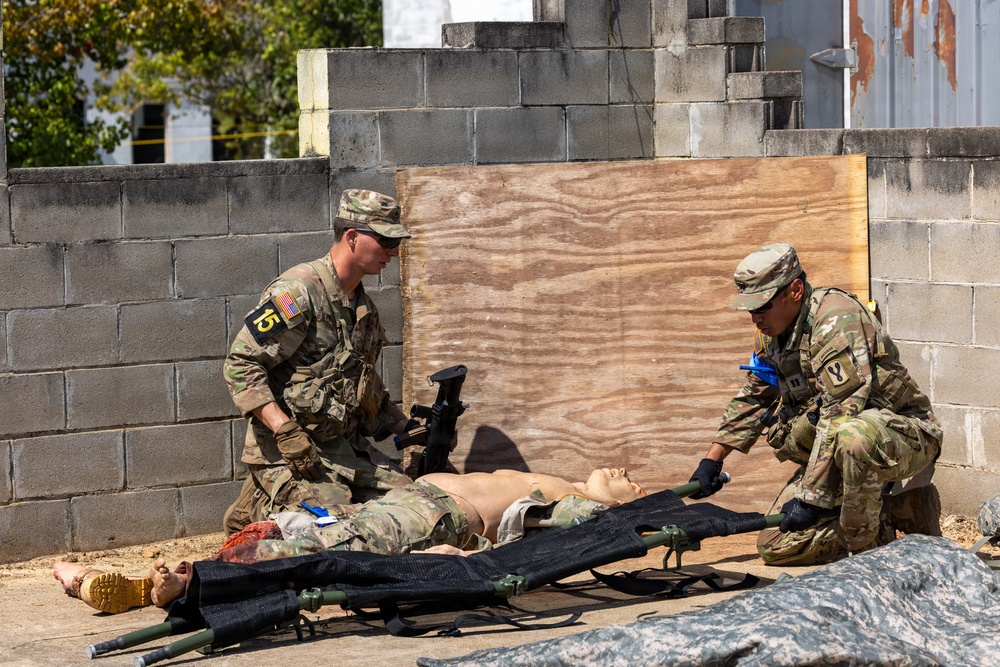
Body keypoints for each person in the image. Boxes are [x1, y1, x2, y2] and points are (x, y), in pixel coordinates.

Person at [53, 467, 646, 611]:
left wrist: (610, 503)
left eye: (628, 482)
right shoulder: (560, 478)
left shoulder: (570, 500)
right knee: (307, 532)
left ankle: (178, 583)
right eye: (624, 472)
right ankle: (168, 579)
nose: (622, 472)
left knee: (317, 548)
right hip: (400, 506)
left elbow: (588, 524)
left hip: (420, 519)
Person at [688, 243, 942, 565]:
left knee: (854, 438)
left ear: (794, 290)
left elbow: (841, 414)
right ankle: (903, 508)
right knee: (777, 546)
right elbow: (755, 395)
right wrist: (713, 460)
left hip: (902, 435)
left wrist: (811, 499)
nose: (755, 318)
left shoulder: (836, 319)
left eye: (762, 306)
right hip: (837, 448)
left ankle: (868, 560)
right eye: (750, 309)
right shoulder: (771, 333)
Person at [222, 189, 415, 535]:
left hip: (344, 451)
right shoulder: (300, 292)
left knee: (417, 506)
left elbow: (362, 390)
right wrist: (284, 429)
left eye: (396, 243)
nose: (393, 251)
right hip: (293, 453)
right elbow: (240, 364)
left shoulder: (364, 310)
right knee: (333, 528)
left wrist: (410, 428)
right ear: (352, 237)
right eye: (385, 240)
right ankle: (259, 507)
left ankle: (268, 502)